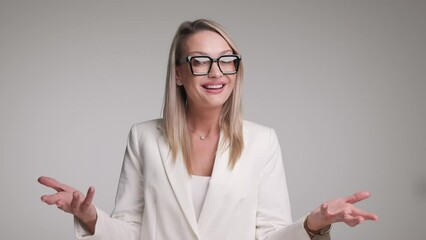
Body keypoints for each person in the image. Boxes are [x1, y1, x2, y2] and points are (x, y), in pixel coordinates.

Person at [38, 19, 378, 240]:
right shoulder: (143, 138)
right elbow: (130, 231)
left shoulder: (263, 141)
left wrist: (313, 224)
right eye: (200, 61)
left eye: (227, 60)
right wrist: (91, 217)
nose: (216, 73)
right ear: (178, 75)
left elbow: (271, 235)